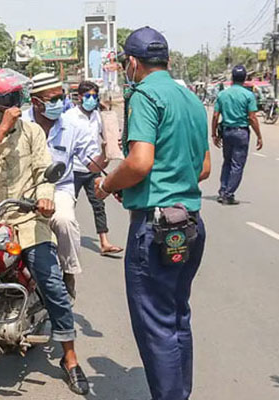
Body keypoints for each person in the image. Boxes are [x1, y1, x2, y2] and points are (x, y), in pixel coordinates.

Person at [94, 27, 210, 400]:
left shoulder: (143, 95)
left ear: (132, 62)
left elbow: (140, 162)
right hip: (189, 221)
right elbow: (203, 167)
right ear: (169, 61)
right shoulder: (190, 99)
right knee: (177, 316)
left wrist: (110, 184)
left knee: (156, 323)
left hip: (155, 226)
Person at [0, 68, 90, 395]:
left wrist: (45, 199)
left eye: (17, 98)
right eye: (8, 100)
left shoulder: (32, 131)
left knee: (51, 282)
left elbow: (43, 172)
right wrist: (1, 133)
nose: (16, 105)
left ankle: (70, 358)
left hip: (27, 217)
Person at [23, 72, 109, 302]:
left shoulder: (71, 126)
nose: (59, 104)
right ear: (36, 102)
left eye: (61, 98)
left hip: (58, 188)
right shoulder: (20, 124)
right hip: (22, 189)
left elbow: (91, 163)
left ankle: (69, 272)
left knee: (64, 221)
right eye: (52, 100)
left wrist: (107, 153)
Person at [67, 81, 123, 256]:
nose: (91, 100)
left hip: (93, 168)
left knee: (98, 204)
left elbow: (107, 135)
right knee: (67, 206)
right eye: (88, 96)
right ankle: (61, 241)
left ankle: (104, 242)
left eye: (94, 96)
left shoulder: (98, 116)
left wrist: (113, 140)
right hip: (74, 169)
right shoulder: (70, 117)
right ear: (80, 97)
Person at [212, 65, 263, 205]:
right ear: (245, 78)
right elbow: (252, 117)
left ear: (232, 78)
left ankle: (223, 191)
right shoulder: (248, 95)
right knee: (237, 164)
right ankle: (228, 194)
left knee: (227, 162)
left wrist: (214, 134)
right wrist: (259, 136)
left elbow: (215, 116)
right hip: (241, 132)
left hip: (227, 132)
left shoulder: (223, 94)